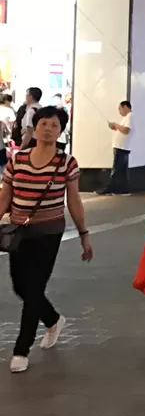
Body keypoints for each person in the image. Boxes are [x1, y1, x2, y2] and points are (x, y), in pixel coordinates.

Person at [0, 106, 92, 372]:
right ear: (35, 127)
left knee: (34, 288)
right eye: (44, 124)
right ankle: (52, 319)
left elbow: (73, 200)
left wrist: (84, 234)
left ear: (60, 130)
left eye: (54, 125)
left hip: (49, 232)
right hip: (18, 231)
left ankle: (21, 349)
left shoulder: (66, 162)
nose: (48, 129)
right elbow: (6, 195)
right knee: (21, 287)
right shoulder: (18, 159)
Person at [101, 100, 133, 194]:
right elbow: (122, 130)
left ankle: (111, 188)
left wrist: (116, 125)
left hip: (122, 147)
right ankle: (123, 189)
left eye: (120, 109)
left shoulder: (130, 116)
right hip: (121, 147)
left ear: (125, 107)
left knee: (117, 169)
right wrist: (115, 127)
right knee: (121, 170)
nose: (119, 111)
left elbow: (126, 130)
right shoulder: (126, 118)